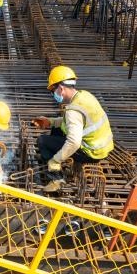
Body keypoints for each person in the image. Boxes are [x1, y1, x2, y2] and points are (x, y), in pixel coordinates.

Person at [32, 66, 114, 194]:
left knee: (42, 141)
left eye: (53, 91)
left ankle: (56, 178)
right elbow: (72, 123)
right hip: (102, 147)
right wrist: (51, 122)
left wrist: (56, 160)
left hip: (91, 152)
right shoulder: (84, 95)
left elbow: (74, 142)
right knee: (57, 129)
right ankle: (50, 156)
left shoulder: (73, 111)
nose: (53, 94)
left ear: (61, 88)